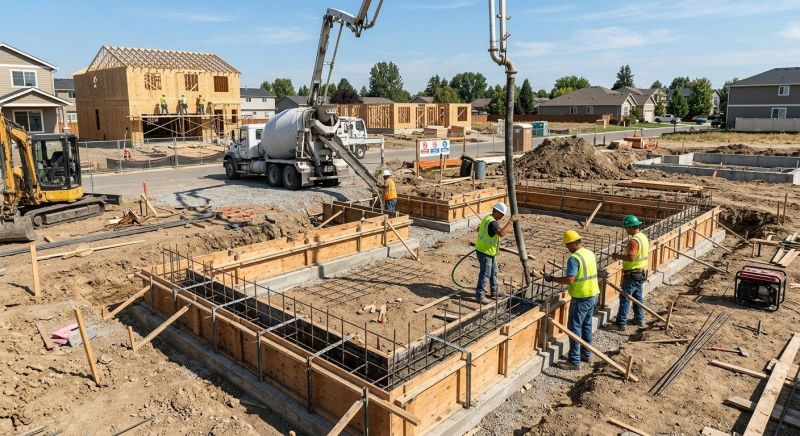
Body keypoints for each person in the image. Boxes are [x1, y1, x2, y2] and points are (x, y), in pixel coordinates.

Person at [544, 230, 600, 370]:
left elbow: (570, 279)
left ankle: (574, 361)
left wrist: (552, 279)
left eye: (567, 244)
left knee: (574, 328)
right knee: (586, 325)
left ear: (574, 243)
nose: (567, 247)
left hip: (581, 297)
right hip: (593, 293)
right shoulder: (589, 253)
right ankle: (586, 354)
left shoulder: (574, 259)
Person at [611, 215, 650, 330]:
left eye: (626, 227)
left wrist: (618, 256)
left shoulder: (633, 241)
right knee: (637, 297)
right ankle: (639, 319)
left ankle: (620, 324)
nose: (626, 230)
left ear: (632, 227)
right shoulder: (643, 237)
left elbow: (631, 257)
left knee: (625, 298)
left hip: (632, 274)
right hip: (641, 272)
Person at [474, 203, 515, 304]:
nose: (502, 217)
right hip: (485, 252)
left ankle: (494, 291)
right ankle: (480, 295)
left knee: (494, 271)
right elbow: (502, 233)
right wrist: (510, 222)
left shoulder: (487, 218)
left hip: (488, 251)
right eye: (501, 215)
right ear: (496, 212)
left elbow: (478, 229)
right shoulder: (493, 223)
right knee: (485, 273)